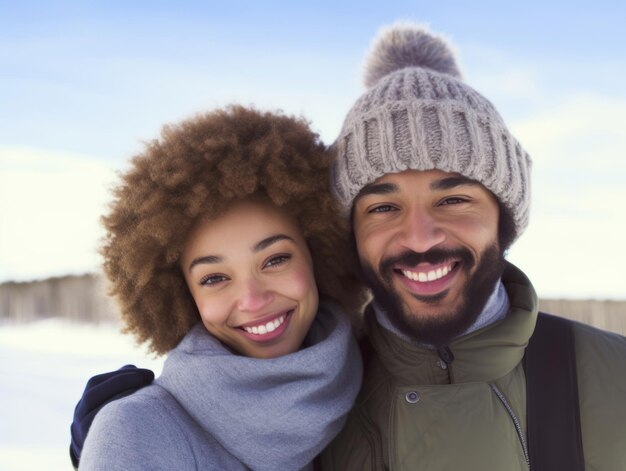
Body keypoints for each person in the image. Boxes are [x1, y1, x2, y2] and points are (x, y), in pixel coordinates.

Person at [71, 23, 626, 470]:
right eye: (383, 207)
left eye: (453, 199)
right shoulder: (320, 398)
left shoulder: (609, 377)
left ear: (505, 216)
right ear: (345, 234)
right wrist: (130, 443)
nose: (419, 238)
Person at [75, 105, 364, 470]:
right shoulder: (138, 432)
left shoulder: (382, 385)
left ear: (320, 254)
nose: (253, 300)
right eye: (214, 278)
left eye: (275, 260)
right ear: (183, 295)